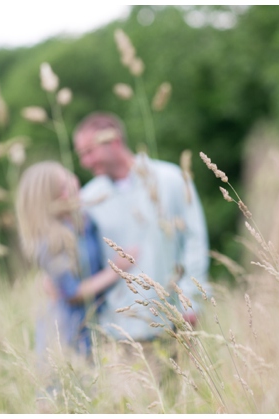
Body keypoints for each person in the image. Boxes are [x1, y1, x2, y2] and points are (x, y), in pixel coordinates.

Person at [73, 112, 209, 348]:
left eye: (89, 152)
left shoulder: (171, 179)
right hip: (118, 330)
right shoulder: (88, 199)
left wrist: (191, 300)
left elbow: (195, 241)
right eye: (81, 155)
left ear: (114, 142)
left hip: (176, 318)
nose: (85, 162)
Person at [16, 161, 132, 362]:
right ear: (47, 200)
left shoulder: (84, 218)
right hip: (70, 327)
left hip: (98, 320)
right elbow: (72, 292)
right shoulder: (50, 241)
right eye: (61, 188)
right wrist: (116, 270)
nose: (71, 185)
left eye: (68, 177)